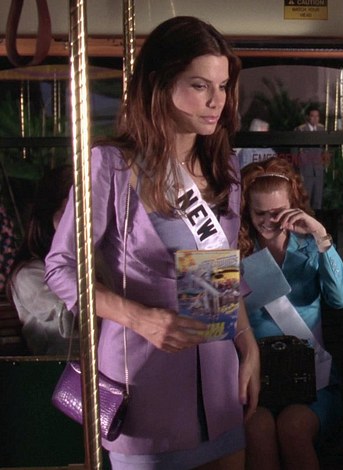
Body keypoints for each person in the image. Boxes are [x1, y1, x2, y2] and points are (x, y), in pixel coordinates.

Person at [44, 16, 259, 469]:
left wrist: (247, 344)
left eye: (222, 86)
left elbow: (218, 272)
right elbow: (61, 269)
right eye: (200, 85)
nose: (216, 101)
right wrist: (139, 317)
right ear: (160, 85)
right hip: (144, 385)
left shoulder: (224, 170)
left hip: (219, 381)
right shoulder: (111, 166)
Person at [238, 156, 343, 470]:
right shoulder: (237, 253)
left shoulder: (310, 247)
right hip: (257, 381)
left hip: (313, 381)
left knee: (293, 427)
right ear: (247, 211)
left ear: (294, 207)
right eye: (259, 213)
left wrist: (320, 235)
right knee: (257, 429)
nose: (269, 221)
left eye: (277, 212)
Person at [7, 165, 75, 355]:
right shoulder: (29, 275)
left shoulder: (94, 260)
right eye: (67, 213)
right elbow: (69, 320)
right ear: (49, 215)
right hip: (58, 366)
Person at [293, 105, 327, 211]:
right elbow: (294, 149)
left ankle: (316, 219)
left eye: (317, 116)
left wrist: (324, 163)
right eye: (313, 116)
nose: (315, 119)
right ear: (308, 117)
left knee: (317, 199)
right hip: (305, 169)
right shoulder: (301, 130)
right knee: (305, 198)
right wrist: (297, 167)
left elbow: (325, 149)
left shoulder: (322, 129)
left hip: (318, 169)